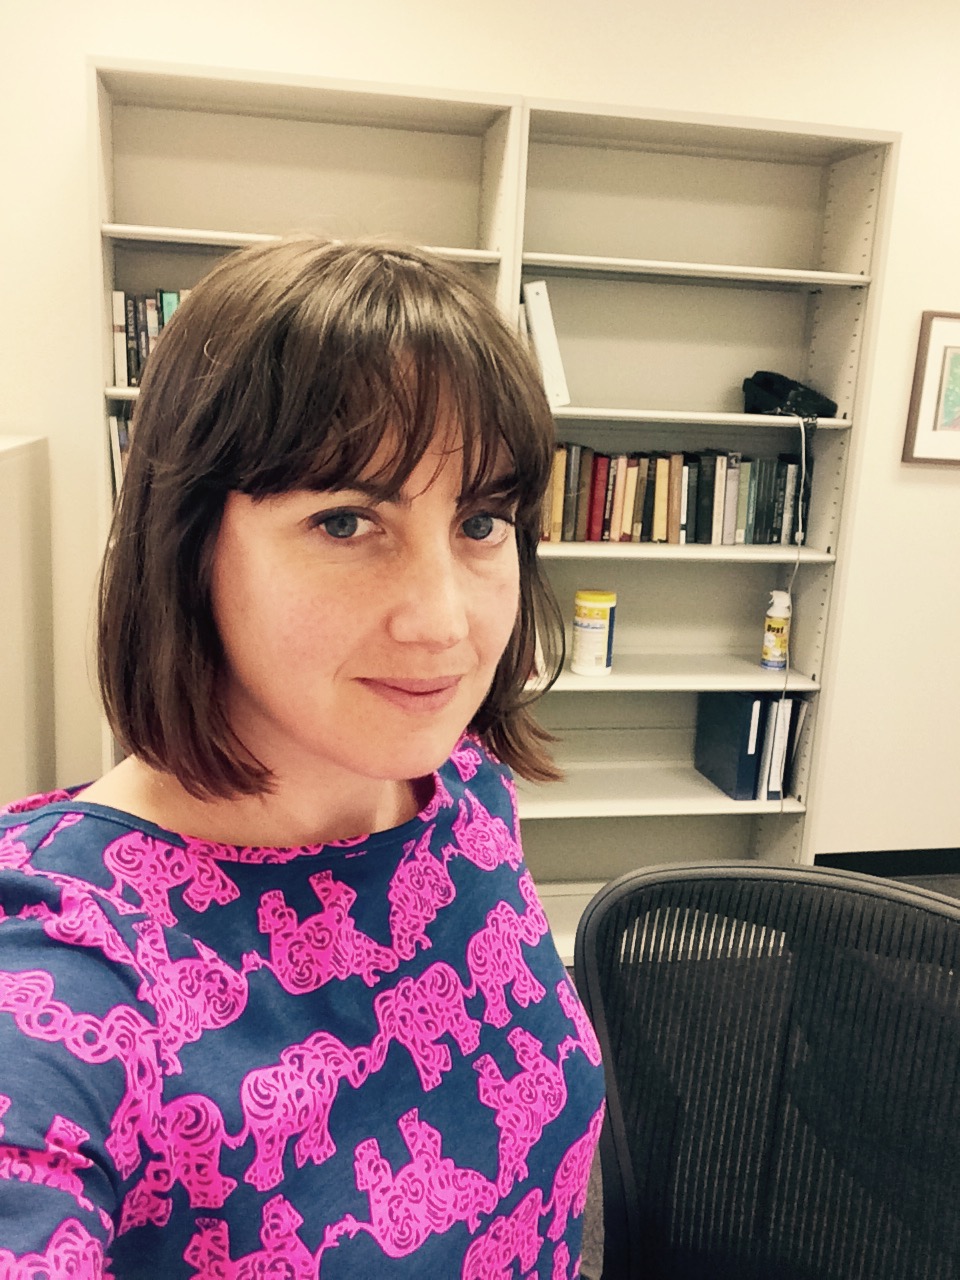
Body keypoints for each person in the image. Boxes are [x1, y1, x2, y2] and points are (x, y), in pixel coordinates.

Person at [0, 237, 605, 1277]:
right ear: (186, 541)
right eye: (345, 518)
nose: (444, 622)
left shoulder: (464, 794)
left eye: (481, 520)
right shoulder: (69, 970)